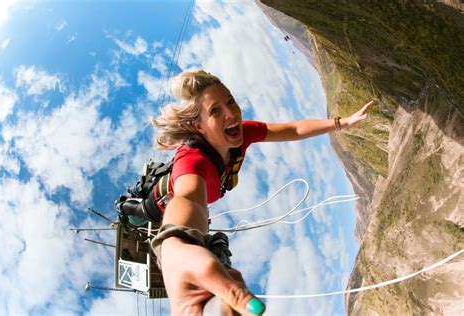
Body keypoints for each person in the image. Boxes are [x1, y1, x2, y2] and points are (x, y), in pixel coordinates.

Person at [149, 70, 374, 315]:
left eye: (230, 101)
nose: (231, 112)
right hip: (158, 207)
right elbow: (188, 197)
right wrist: (173, 245)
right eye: (215, 111)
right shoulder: (191, 161)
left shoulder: (242, 134)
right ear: (198, 127)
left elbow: (293, 129)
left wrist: (341, 123)